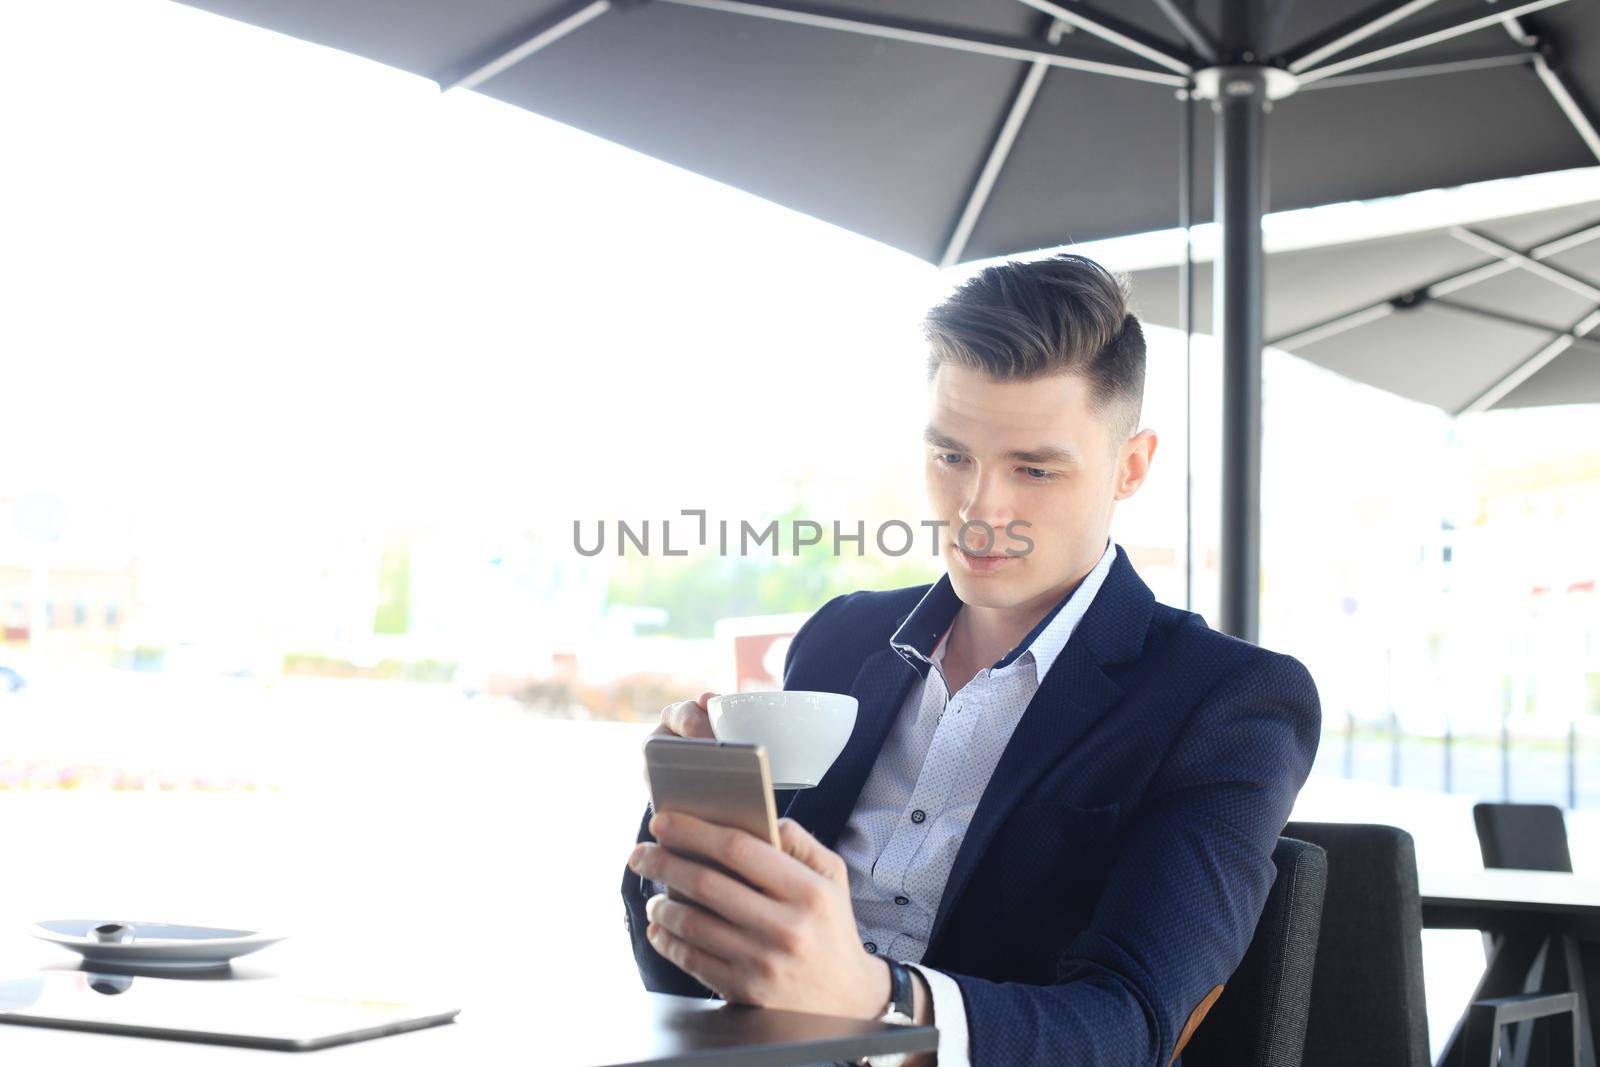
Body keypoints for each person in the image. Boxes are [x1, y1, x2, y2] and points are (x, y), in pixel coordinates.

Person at [621, 253, 1321, 1066]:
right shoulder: (840, 638)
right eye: (951, 456)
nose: (980, 508)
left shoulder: (1225, 700)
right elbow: (673, 974)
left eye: (1034, 468)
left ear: (1131, 466)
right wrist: (693, 818)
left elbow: (1130, 1024)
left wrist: (874, 1002)